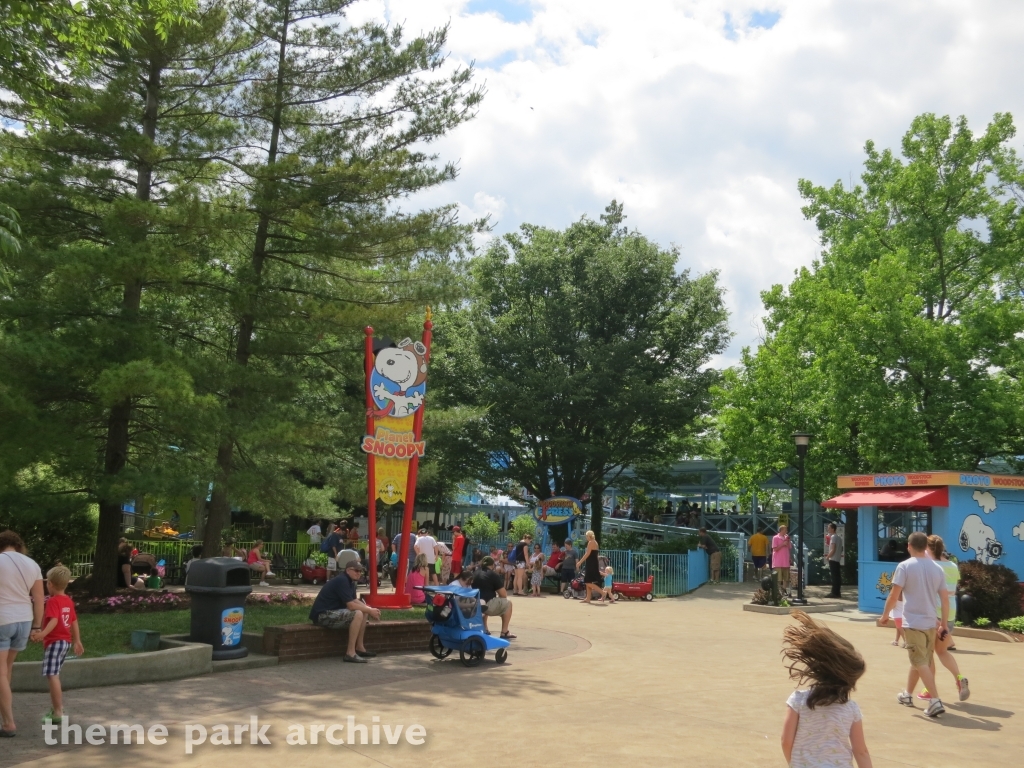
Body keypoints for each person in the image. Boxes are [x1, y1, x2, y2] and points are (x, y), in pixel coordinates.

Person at [780, 611, 872, 768]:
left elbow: (786, 741)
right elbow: (860, 751)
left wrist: (795, 763)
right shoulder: (851, 709)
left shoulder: (797, 700)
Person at [876, 531, 950, 717]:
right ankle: (907, 694)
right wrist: (944, 624)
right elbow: (945, 599)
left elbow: (894, 595)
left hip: (913, 622)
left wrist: (885, 615)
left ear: (908, 546)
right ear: (926, 547)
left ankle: (935, 700)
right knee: (919, 660)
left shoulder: (904, 566)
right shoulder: (937, 568)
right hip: (930, 622)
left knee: (919, 661)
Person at [0, 530, 45, 737]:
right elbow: (38, 599)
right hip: (24, 621)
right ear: (18, 545)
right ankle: (4, 713)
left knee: (1, 671)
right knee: (7, 668)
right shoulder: (32, 564)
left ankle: (8, 723)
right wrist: (37, 626)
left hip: (3, 619)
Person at [916, 535, 969, 703]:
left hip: (933, 614)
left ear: (928, 548)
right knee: (942, 651)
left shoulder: (929, 566)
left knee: (928, 655)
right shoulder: (953, 565)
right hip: (950, 613)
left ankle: (929, 690)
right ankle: (959, 678)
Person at [30, 565, 82, 724]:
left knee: (52, 676)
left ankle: (58, 711)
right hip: (65, 642)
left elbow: (54, 620)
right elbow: (73, 621)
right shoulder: (68, 601)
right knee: (55, 674)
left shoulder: (53, 601)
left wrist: (42, 634)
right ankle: (57, 708)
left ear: (50, 584)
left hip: (55, 642)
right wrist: (77, 640)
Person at [308, 561, 380, 663]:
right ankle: (350, 653)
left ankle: (360, 648)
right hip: (322, 615)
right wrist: (369, 610)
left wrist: (370, 609)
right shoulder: (342, 580)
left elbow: (354, 600)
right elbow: (351, 606)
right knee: (358, 613)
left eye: (360, 571)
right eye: (356, 570)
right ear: (348, 570)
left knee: (364, 612)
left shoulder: (351, 582)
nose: (359, 573)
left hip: (334, 612)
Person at [471, 556, 515, 639]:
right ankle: (504, 632)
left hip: (473, 603)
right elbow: (503, 594)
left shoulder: (475, 573)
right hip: (486, 604)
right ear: (492, 565)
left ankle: (484, 629)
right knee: (508, 603)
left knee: (485, 600)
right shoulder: (492, 574)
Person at [577, 530, 602, 604]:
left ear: (590, 536)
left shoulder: (591, 542)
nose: (586, 537)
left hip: (591, 563)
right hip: (593, 563)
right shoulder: (595, 542)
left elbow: (587, 554)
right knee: (589, 581)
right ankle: (588, 598)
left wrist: (580, 562)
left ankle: (602, 592)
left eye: (587, 536)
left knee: (587, 581)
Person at [772, 525, 792, 595]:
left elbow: (789, 547)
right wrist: (783, 544)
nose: (786, 531)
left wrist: (788, 540)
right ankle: (779, 590)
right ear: (781, 530)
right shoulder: (775, 538)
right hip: (778, 561)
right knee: (778, 578)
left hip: (785, 561)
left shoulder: (786, 538)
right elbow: (775, 549)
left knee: (786, 578)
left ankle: (784, 589)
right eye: (785, 530)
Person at [826, 523, 843, 598]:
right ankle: (837, 592)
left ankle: (834, 592)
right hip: (837, 559)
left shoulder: (833, 537)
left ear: (833, 529)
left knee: (834, 576)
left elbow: (833, 549)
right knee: (837, 576)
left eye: (829, 528)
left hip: (833, 559)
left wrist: (828, 556)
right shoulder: (839, 537)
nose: (828, 529)